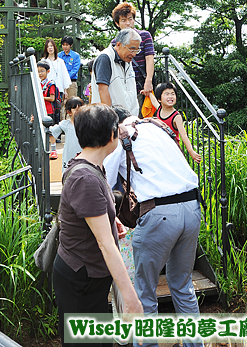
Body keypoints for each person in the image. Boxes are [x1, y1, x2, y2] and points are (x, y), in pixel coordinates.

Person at [104, 109, 203, 347]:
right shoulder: (158, 128)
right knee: (182, 284)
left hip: (160, 213)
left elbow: (103, 181)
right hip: (192, 208)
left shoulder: (121, 135)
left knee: (144, 291)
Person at [52, 104, 143, 347]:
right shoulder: (86, 178)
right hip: (81, 281)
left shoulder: (90, 163)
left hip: (88, 276)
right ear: (111, 136)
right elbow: (106, 245)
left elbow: (88, 208)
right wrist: (131, 298)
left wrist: (110, 219)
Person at [111, 2, 155, 114]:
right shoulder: (115, 43)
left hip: (141, 86)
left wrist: (148, 81)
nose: (128, 23)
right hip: (123, 87)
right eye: (123, 20)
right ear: (117, 23)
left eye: (130, 19)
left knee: (140, 118)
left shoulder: (144, 36)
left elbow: (149, 59)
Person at [91, 28, 140, 117]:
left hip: (129, 119)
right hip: (111, 120)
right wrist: (111, 119)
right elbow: (102, 89)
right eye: (132, 49)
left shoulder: (127, 60)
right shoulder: (105, 58)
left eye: (137, 50)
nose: (134, 54)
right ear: (119, 44)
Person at [150, 82, 201, 163]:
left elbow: (183, 135)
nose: (170, 96)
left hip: (173, 149)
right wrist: (149, 93)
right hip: (161, 146)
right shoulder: (160, 109)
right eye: (166, 94)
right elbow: (154, 101)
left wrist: (191, 152)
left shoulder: (176, 116)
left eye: (173, 94)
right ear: (159, 99)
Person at [41, 39, 71, 146]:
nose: (50, 48)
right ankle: (49, 134)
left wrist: (65, 90)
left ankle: (57, 135)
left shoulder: (60, 61)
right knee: (48, 112)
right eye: (48, 46)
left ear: (54, 48)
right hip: (47, 89)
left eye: (51, 46)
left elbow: (64, 76)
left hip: (59, 89)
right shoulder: (43, 61)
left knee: (57, 112)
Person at [50, 96, 84, 173]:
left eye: (81, 108)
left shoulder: (87, 123)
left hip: (83, 156)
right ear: (69, 112)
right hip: (69, 156)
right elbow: (51, 132)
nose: (79, 111)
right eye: (75, 109)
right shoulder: (66, 124)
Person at [37, 61, 58, 160]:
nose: (40, 73)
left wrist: (41, 97)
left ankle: (53, 150)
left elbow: (52, 98)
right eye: (38, 71)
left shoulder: (50, 84)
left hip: (49, 110)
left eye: (42, 71)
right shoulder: (38, 83)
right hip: (41, 109)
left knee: (50, 131)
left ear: (48, 71)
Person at [58, 35, 81, 99]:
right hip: (60, 83)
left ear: (71, 45)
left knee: (72, 103)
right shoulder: (58, 55)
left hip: (71, 82)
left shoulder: (76, 56)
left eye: (67, 45)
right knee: (59, 103)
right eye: (63, 45)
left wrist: (66, 78)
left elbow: (75, 69)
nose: (65, 47)